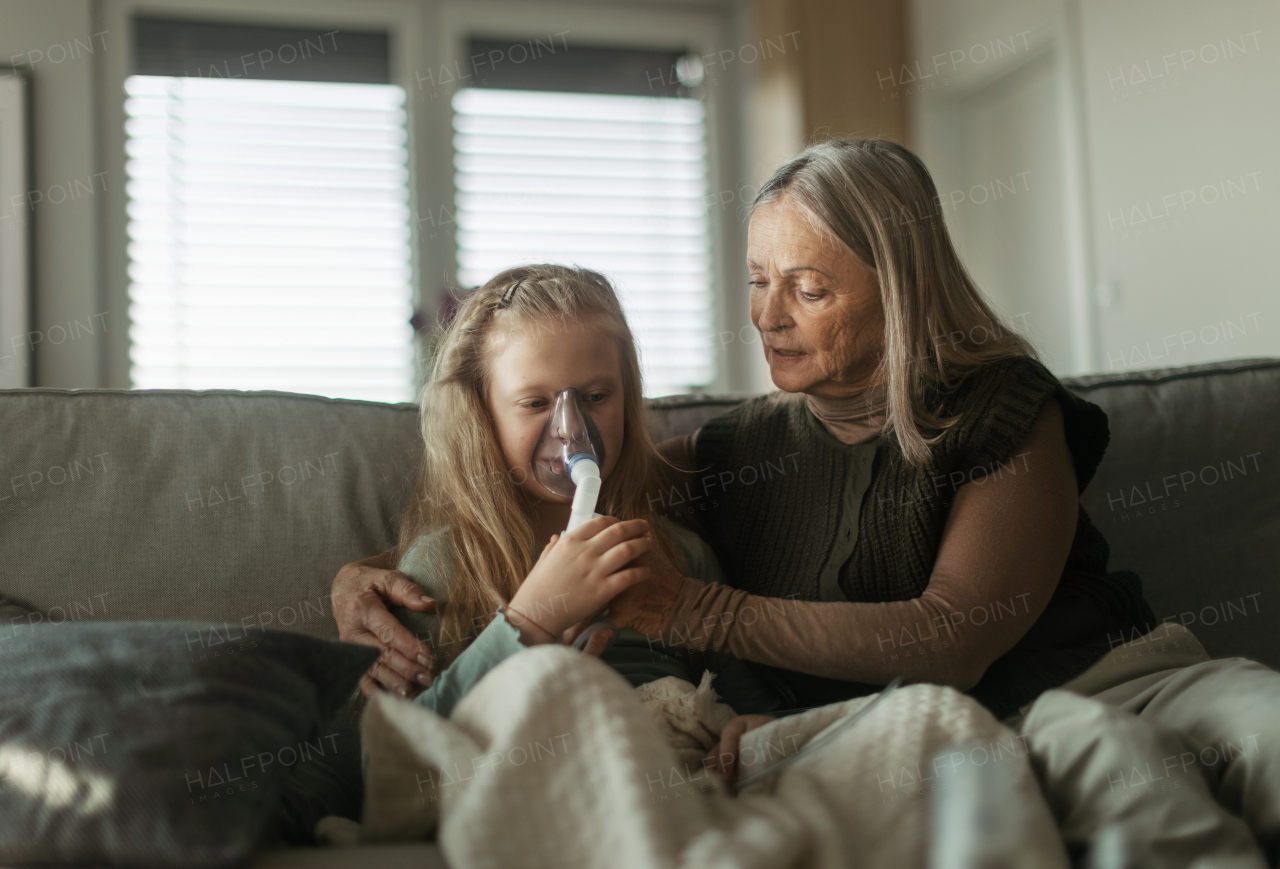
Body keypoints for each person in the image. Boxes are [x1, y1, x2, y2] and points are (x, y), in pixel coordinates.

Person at [333, 140, 1280, 861]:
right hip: (1018, 726)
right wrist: (369, 573)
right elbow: (568, 486)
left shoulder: (1002, 407)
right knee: (1123, 778)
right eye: (755, 280)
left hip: (1118, 676)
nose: (767, 313)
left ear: (899, 288)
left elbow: (953, 633)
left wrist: (702, 612)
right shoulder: (740, 448)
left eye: (808, 287)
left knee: (1261, 729)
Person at [345, 262, 779, 719]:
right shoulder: (442, 571)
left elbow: (758, 717)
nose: (571, 432)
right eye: (535, 403)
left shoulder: (677, 557)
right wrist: (530, 621)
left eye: (595, 397)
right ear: (481, 415)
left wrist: (746, 731)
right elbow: (398, 746)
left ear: (627, 400)